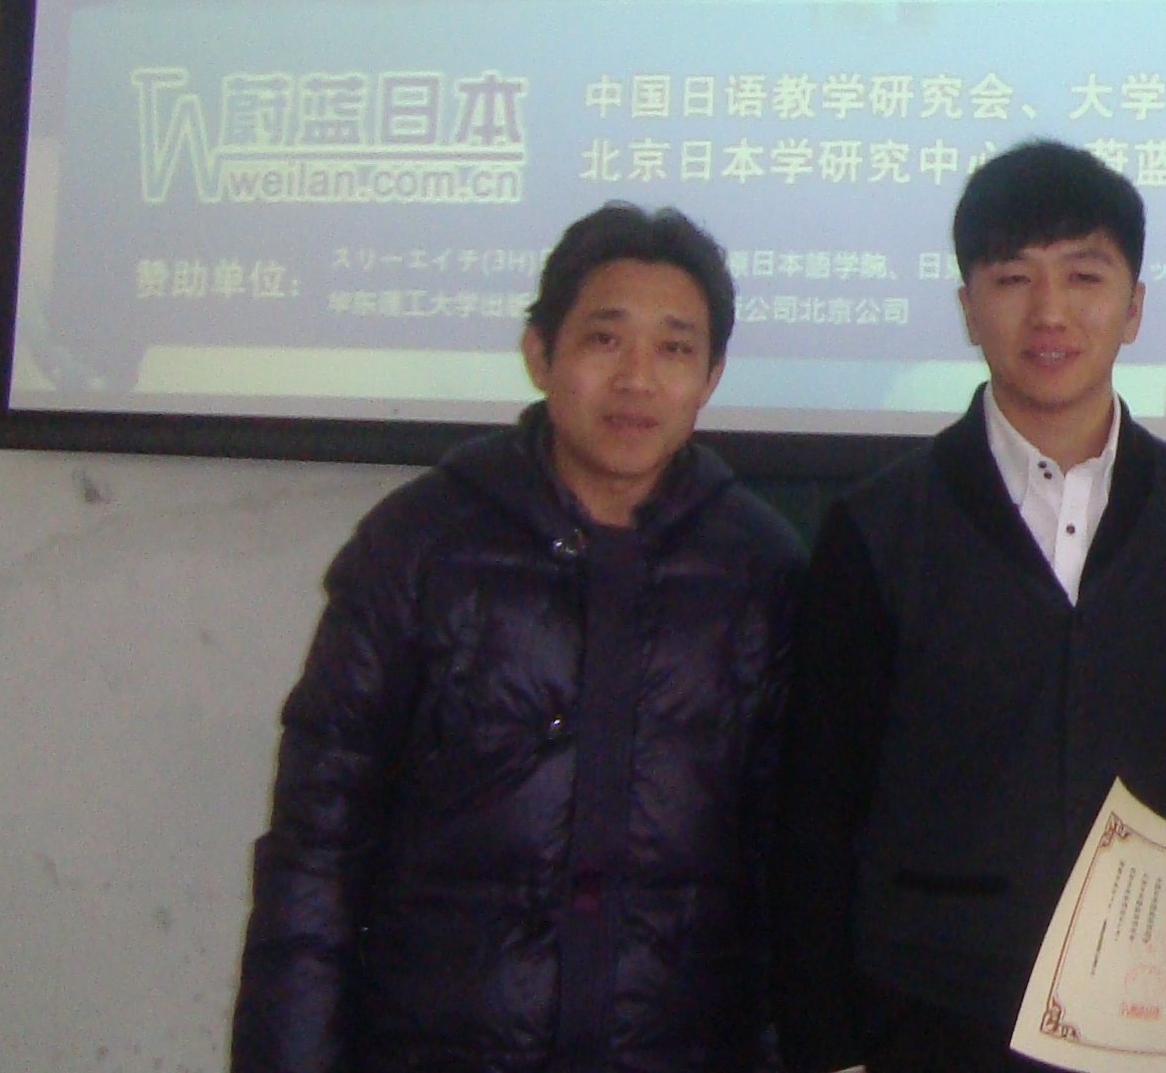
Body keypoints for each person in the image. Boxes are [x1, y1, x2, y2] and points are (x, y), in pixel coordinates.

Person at [230, 202, 804, 1073]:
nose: (637, 380)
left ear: (712, 376)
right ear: (541, 354)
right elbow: (318, 844)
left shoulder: (759, 569)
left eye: (674, 349)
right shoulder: (421, 545)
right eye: (605, 340)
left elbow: (786, 872)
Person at [771, 139, 1166, 1073]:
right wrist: (825, 1042)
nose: (1050, 312)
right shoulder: (878, 524)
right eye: (1012, 278)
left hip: (1148, 1007)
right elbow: (817, 807)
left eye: (1084, 276)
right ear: (968, 307)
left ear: (1134, 307)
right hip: (928, 1004)